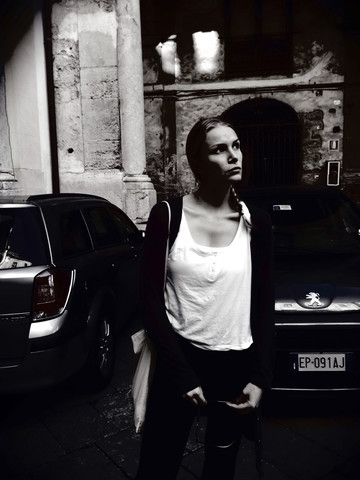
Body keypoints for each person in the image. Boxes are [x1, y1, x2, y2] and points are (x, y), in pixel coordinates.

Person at [136, 117, 274, 480]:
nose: (234, 155)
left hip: (235, 365)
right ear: (198, 163)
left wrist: (259, 377)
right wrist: (181, 374)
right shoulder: (168, 216)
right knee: (157, 464)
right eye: (219, 149)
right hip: (180, 361)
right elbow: (150, 302)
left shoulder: (254, 222)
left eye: (237, 145)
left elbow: (264, 305)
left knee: (221, 465)